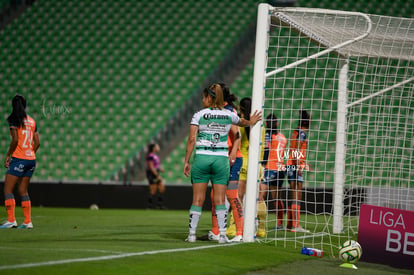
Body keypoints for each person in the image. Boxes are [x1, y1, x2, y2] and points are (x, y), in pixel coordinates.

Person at [183, 83, 261, 243]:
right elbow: (242, 124)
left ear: (209, 98)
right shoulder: (228, 114)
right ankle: (223, 235)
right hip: (221, 159)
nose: (202, 100)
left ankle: (191, 235)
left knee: (198, 199)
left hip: (202, 157)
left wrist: (186, 161)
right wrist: (251, 120)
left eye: (203, 97)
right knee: (220, 199)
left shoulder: (199, 115)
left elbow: (191, 139)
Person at [208, 83, 244, 242]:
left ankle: (240, 232)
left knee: (231, 195)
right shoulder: (217, 111)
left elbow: (237, 135)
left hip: (232, 159)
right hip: (221, 157)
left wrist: (233, 155)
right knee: (214, 194)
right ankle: (216, 231)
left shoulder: (229, 111)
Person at [1, 94, 40, 229]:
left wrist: (8, 155)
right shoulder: (32, 121)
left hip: (19, 158)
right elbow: (37, 142)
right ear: (25, 105)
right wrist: (30, 154)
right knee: (23, 190)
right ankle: (27, 221)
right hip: (31, 160)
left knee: (8, 189)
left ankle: (11, 220)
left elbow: (16, 140)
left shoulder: (14, 120)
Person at [258, 114, 287, 236]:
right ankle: (280, 223)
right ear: (277, 123)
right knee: (277, 197)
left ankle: (258, 222)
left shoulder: (267, 136)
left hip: (268, 168)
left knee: (260, 196)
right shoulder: (282, 137)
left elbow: (266, 151)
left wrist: (262, 165)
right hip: (280, 169)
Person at [286, 110, 311, 233]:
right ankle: (295, 226)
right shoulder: (301, 134)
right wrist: (298, 166)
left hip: (291, 165)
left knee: (293, 195)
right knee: (297, 195)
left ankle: (290, 225)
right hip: (295, 165)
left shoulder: (296, 132)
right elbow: (297, 148)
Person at [145, 143, 166, 209]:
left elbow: (155, 166)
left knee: (161, 188)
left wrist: (159, 169)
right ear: (153, 148)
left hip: (155, 173)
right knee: (153, 190)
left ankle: (159, 205)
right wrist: (157, 175)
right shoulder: (150, 156)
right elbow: (151, 167)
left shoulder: (155, 156)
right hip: (152, 174)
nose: (158, 147)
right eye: (157, 146)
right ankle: (149, 206)